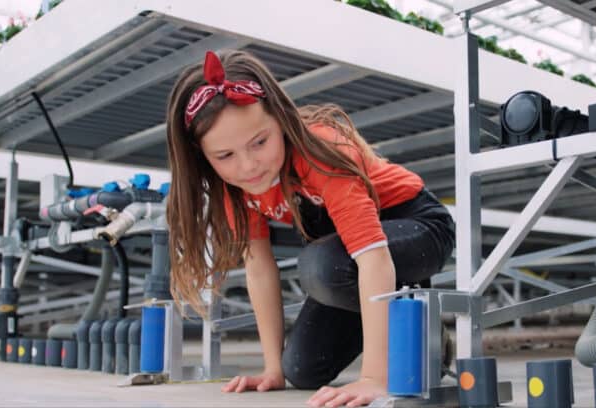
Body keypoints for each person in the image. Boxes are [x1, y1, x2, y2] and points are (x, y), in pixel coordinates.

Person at [164, 50, 455, 407]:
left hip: (415, 225)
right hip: (347, 256)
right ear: (202, 156)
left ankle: (417, 333)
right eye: (225, 156)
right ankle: (417, 333)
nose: (249, 165)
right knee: (300, 369)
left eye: (260, 142)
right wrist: (274, 369)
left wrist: (374, 379)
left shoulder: (319, 148)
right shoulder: (233, 189)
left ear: (281, 119)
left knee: (321, 267)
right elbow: (258, 268)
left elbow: (373, 258)